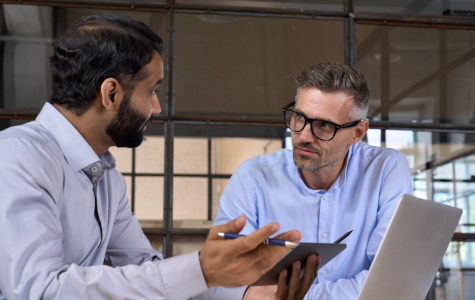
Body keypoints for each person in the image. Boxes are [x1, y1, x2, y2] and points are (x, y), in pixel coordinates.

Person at [0, 13, 319, 300]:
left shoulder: (106, 176)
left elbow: (144, 268)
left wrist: (245, 294)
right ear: (110, 94)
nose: (157, 108)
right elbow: (38, 291)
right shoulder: (17, 157)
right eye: (151, 91)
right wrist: (203, 270)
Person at [214, 62, 413, 299]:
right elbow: (221, 281)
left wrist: (289, 295)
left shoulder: (385, 170)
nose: (304, 136)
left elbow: (391, 279)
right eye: (299, 118)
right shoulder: (252, 178)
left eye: (324, 125)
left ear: (357, 133)